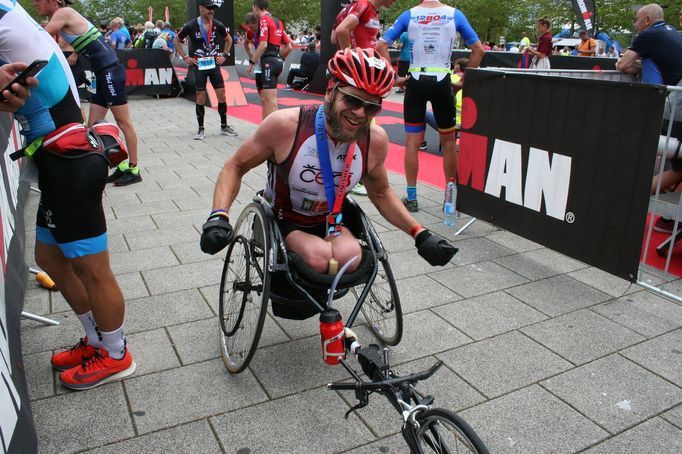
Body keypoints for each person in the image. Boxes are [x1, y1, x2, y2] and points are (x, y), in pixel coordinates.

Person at [200, 48, 457, 276]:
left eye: (372, 108)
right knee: (317, 257)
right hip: (285, 218)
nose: (360, 114)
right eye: (353, 100)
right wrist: (219, 215)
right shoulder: (285, 126)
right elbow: (235, 166)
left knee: (353, 256)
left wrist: (420, 234)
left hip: (331, 220)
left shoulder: (375, 140)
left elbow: (380, 192)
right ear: (331, 91)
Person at [3, 0, 135, 390]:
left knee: (93, 269)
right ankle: (96, 339)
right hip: (57, 156)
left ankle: (116, 354)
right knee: (50, 258)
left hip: (70, 162)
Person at [377, 0, 484, 212]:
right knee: (449, 142)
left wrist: (395, 77)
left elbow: (380, 46)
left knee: (412, 143)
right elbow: (478, 50)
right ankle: (450, 199)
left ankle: (412, 198)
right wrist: (464, 82)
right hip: (443, 80)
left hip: (416, 80)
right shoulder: (455, 14)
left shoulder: (410, 14)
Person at [37, 0, 142, 186]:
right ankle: (121, 164)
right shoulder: (65, 16)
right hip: (103, 73)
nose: (34, 3)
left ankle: (134, 168)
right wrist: (76, 53)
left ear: (53, 1)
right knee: (93, 126)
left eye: (38, 0)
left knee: (124, 122)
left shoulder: (63, 13)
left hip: (110, 71)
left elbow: (39, 37)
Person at [174, 0, 238, 139]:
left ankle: (224, 126)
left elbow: (229, 40)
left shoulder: (217, 24)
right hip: (200, 66)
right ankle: (201, 129)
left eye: (213, 9)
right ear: (200, 8)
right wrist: (185, 57)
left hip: (214, 65)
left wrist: (224, 55)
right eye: (208, 8)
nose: (211, 11)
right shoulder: (191, 25)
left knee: (222, 95)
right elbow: (175, 41)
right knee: (201, 97)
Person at [248, 0, 292, 120]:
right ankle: (265, 130)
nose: (253, 11)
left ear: (256, 7)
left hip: (268, 62)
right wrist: (279, 58)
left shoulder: (263, 20)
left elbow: (263, 45)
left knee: (270, 101)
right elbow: (289, 46)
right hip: (276, 62)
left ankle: (278, 133)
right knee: (266, 100)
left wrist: (252, 62)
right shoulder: (278, 21)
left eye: (253, 8)